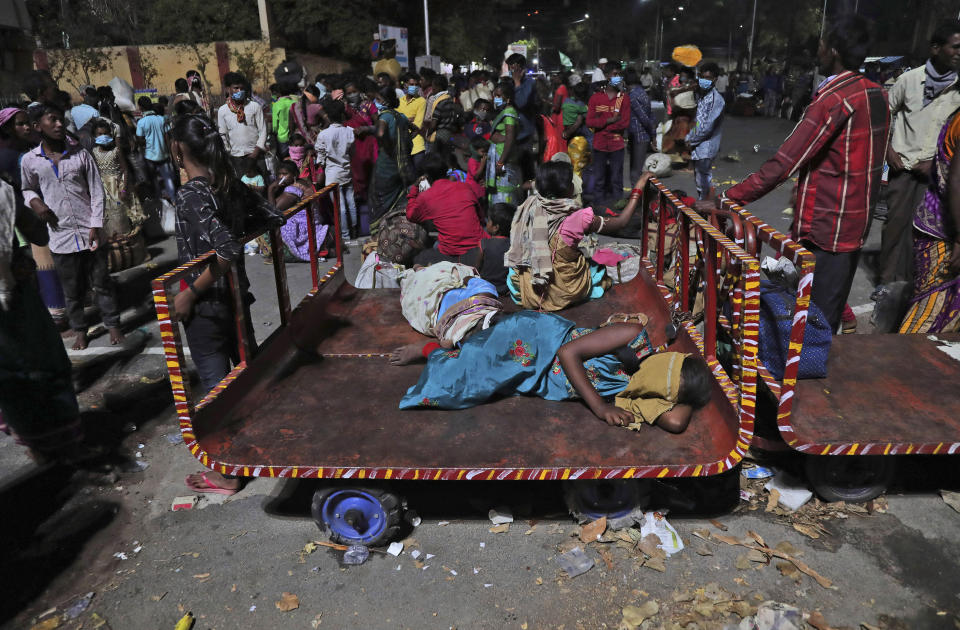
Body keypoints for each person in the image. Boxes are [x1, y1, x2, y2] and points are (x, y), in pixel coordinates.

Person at [697, 16, 890, 333]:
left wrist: (726, 198)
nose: (820, 51)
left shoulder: (832, 100)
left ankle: (806, 378)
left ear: (834, 51)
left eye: (823, 45)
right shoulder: (877, 94)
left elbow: (783, 164)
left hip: (825, 228)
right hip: (856, 224)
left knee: (813, 323)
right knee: (826, 307)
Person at [168, 114, 282, 494]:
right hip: (237, 295)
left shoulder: (191, 194)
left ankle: (228, 471)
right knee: (246, 374)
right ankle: (256, 446)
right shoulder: (230, 186)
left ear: (177, 150)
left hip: (207, 304)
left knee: (217, 386)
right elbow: (273, 214)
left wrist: (190, 292)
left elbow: (228, 248)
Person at [391, 309, 712, 433]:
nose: (659, 383)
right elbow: (568, 351)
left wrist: (689, 396)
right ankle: (431, 348)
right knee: (455, 384)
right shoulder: (632, 338)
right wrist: (600, 407)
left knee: (473, 384)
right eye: (668, 375)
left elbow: (675, 422)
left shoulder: (638, 391)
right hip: (537, 340)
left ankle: (461, 347)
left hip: (540, 377)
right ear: (669, 360)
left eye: (667, 390)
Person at [0, 175, 99, 464]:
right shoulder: (3, 192)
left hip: (17, 295)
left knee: (15, 379)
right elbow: (40, 235)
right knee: (42, 369)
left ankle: (41, 447)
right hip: (16, 300)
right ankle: (64, 446)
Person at [20, 102, 124, 350]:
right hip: (61, 235)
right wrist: (35, 202)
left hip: (90, 231)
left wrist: (95, 224)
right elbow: (26, 188)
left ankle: (113, 324)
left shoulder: (80, 155)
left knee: (101, 282)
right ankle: (80, 330)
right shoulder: (31, 161)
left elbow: (97, 190)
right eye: (52, 120)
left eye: (60, 120)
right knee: (72, 289)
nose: (59, 124)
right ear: (38, 127)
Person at [878, 22, 960, 299]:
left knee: (923, 232)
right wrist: (888, 150)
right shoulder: (909, 80)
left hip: (935, 175)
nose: (959, 52)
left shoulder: (958, 89)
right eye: (955, 46)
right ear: (936, 48)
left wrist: (936, 161)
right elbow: (884, 114)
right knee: (894, 225)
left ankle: (912, 286)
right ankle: (886, 283)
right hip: (903, 168)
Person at [506, 162, 653, 311]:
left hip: (530, 286)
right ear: (569, 188)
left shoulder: (530, 205)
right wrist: (638, 187)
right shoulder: (580, 218)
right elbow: (621, 222)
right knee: (598, 271)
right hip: (562, 289)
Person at [396, 261, 503, 349]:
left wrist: (465, 279)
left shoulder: (485, 293)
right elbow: (468, 279)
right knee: (420, 280)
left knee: (421, 279)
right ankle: (418, 269)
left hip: (431, 298)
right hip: (432, 300)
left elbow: (468, 279)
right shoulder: (458, 339)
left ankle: (419, 269)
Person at [406, 152, 488, 263]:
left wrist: (414, 190)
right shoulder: (464, 187)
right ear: (446, 171)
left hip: (452, 253)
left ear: (426, 177)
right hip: (480, 246)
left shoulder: (426, 196)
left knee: (420, 257)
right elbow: (481, 217)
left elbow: (410, 215)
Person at [91, 120, 147, 270]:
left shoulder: (116, 150)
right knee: (108, 223)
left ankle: (132, 253)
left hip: (118, 187)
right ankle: (116, 257)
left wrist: (124, 189)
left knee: (123, 219)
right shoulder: (94, 152)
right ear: (95, 136)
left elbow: (125, 170)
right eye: (99, 134)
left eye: (105, 134)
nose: (103, 136)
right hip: (104, 189)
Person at [370, 85, 415, 231]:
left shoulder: (385, 116)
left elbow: (381, 133)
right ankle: (394, 229)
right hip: (400, 165)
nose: (375, 102)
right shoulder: (400, 116)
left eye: (378, 99)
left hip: (386, 164)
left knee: (379, 199)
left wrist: (387, 147)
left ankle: (379, 231)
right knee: (397, 199)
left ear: (385, 101)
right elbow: (416, 129)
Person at [268, 159, 328, 262]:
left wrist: (271, 189)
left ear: (295, 174)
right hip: (315, 220)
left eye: (285, 174)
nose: (281, 177)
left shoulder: (292, 190)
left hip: (305, 224)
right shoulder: (305, 181)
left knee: (272, 225)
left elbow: (274, 212)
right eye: (280, 174)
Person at [586, 70, 630, 208]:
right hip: (599, 144)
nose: (616, 77)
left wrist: (603, 125)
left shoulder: (623, 98)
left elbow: (624, 123)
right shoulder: (596, 98)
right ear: (607, 76)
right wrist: (610, 120)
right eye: (614, 74)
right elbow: (590, 122)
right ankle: (599, 204)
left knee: (616, 176)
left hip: (616, 143)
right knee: (599, 177)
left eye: (618, 75)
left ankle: (618, 203)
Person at [314, 99, 357, 241]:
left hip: (332, 174)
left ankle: (345, 235)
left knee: (340, 207)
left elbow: (320, 157)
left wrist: (321, 163)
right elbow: (352, 151)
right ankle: (355, 231)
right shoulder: (349, 132)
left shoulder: (323, 135)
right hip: (347, 171)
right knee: (351, 202)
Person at [685, 63, 725, 200]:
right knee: (699, 179)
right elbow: (698, 121)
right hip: (698, 144)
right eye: (702, 77)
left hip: (706, 146)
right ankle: (704, 206)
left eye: (708, 78)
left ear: (714, 79)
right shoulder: (700, 96)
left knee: (704, 180)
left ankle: (706, 209)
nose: (704, 80)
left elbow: (708, 127)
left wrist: (692, 140)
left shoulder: (717, 100)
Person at [217, 72, 267, 177]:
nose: (239, 91)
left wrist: (255, 153)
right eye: (235, 88)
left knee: (260, 185)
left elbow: (263, 130)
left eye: (241, 88)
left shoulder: (254, 106)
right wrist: (229, 154)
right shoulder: (223, 110)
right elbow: (223, 135)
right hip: (236, 158)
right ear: (228, 89)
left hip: (256, 155)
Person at [344, 77, 379, 214]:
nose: (352, 95)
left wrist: (367, 129)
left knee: (372, 178)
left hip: (369, 145)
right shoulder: (344, 108)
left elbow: (378, 125)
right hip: (354, 147)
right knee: (357, 180)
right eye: (349, 93)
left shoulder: (369, 105)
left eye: (354, 91)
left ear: (359, 91)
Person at [487, 81, 522, 206]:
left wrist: (500, 162)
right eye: (494, 95)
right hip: (500, 157)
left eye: (498, 96)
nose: (495, 99)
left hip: (504, 160)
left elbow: (510, 138)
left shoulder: (509, 114)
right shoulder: (505, 112)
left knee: (504, 197)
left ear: (507, 99)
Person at [136, 96, 176, 202]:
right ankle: (174, 201)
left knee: (154, 181)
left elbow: (139, 140)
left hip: (150, 157)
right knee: (168, 180)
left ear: (140, 107)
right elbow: (168, 137)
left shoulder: (141, 122)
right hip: (164, 155)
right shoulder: (161, 119)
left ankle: (159, 204)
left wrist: (148, 141)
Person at [507, 53, 539, 181]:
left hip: (524, 134)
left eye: (512, 67)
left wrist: (517, 82)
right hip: (509, 131)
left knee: (526, 170)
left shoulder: (529, 83)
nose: (510, 70)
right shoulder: (508, 83)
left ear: (519, 67)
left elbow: (521, 102)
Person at [476, 201, 514, 294]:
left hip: (485, 289)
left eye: (489, 220)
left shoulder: (483, 243)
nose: (487, 223)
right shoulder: (513, 245)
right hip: (506, 290)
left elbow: (477, 269)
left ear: (495, 227)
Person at [627, 68, 656, 184]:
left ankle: (637, 197)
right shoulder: (642, 92)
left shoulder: (632, 95)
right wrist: (652, 134)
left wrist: (652, 134)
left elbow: (644, 117)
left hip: (638, 135)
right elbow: (651, 115)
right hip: (643, 136)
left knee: (635, 171)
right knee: (637, 168)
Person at [397, 72, 427, 169]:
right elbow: (395, 120)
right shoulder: (399, 101)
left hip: (417, 144)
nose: (414, 87)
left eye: (416, 85)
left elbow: (417, 126)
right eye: (411, 84)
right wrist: (408, 120)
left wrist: (403, 119)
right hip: (402, 145)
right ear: (405, 85)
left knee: (419, 175)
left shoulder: (421, 101)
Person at [562, 79, 591, 179]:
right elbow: (587, 118)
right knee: (580, 165)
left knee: (573, 163)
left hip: (569, 133)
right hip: (578, 136)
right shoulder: (582, 106)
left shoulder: (566, 102)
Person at [272, 82, 299, 157]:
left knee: (284, 158)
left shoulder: (277, 104)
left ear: (279, 93)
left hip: (282, 137)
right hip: (296, 136)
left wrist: (274, 132)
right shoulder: (295, 103)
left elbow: (275, 125)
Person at [467, 135, 489, 200]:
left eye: (486, 151)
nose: (485, 153)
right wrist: (482, 164)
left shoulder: (481, 159)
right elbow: (476, 176)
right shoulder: (472, 161)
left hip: (481, 188)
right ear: (474, 150)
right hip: (474, 190)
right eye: (483, 151)